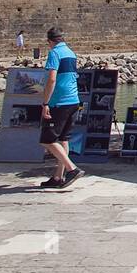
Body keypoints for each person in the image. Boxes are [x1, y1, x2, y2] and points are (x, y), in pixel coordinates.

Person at [38, 27, 84, 189]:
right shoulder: (71, 53)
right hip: (74, 101)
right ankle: (58, 177)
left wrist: (45, 103)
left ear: (50, 41)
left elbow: (51, 79)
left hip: (59, 102)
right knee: (64, 139)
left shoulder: (54, 53)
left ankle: (72, 169)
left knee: (47, 140)